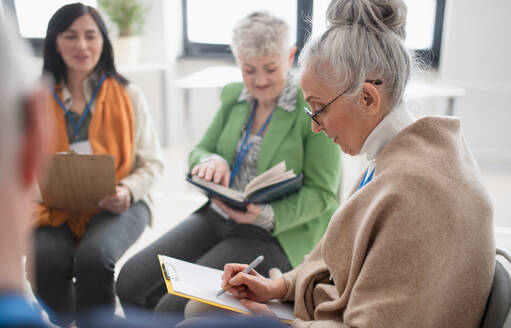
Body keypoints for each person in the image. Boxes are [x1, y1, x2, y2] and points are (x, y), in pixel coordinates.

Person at [219, 0, 495, 327]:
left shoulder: (415, 192)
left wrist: (279, 323)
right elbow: (341, 255)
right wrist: (280, 286)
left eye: (318, 109)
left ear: (367, 98)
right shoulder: (401, 155)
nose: (315, 126)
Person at [116, 10, 341, 316]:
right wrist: (212, 160)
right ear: (238, 63)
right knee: (129, 281)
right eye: (249, 70)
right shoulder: (234, 96)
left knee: (172, 307)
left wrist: (263, 214)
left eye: (270, 68)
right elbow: (200, 150)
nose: (259, 81)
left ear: (289, 57)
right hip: (219, 214)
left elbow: (323, 194)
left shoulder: (310, 107)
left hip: (273, 234)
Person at [26, 3, 164, 325]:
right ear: (54, 42)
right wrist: (43, 189)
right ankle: (74, 319)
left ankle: (95, 322)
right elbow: (21, 164)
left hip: (120, 203)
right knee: (44, 261)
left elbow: (154, 163)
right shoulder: (36, 97)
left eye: (91, 35)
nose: (82, 45)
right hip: (52, 205)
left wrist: (128, 191)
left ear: (103, 41)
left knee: (95, 258)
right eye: (70, 36)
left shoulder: (129, 94)